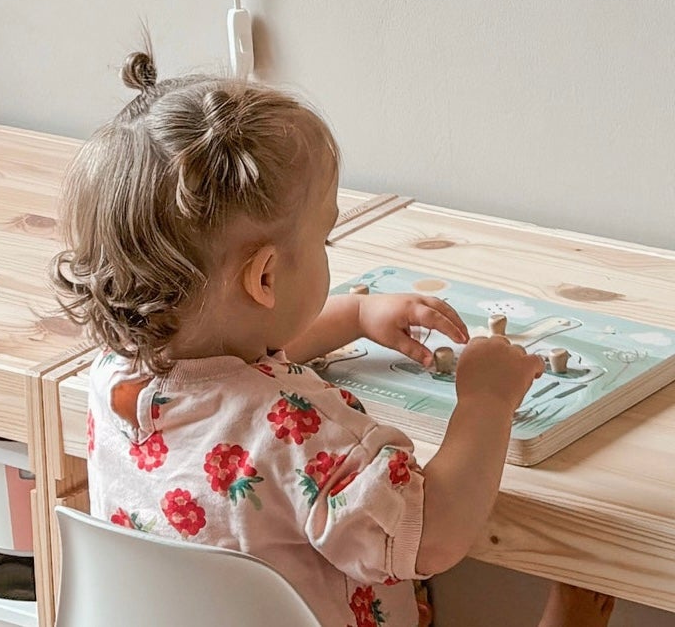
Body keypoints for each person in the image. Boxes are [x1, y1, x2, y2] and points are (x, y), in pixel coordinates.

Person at [54, 51, 612, 627]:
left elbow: (228, 378)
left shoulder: (116, 376)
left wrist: (354, 315)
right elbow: (428, 536)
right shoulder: (306, 433)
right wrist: (487, 402)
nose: (326, 248)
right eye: (326, 237)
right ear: (266, 277)